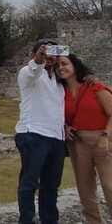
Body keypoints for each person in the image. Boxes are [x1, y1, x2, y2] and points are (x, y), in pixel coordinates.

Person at [15, 40, 65, 224]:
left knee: (52, 184)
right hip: (33, 133)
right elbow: (33, 71)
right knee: (30, 182)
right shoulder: (28, 73)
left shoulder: (59, 82)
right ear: (35, 54)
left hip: (56, 137)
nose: (49, 56)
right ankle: (26, 219)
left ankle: (49, 220)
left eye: (53, 52)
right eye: (44, 52)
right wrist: (39, 59)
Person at [59, 53, 112, 224]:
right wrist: (66, 127)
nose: (61, 68)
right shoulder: (60, 93)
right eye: (57, 66)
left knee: (110, 186)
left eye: (64, 64)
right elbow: (58, 116)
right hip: (78, 144)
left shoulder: (94, 87)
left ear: (75, 65)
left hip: (102, 140)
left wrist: (105, 136)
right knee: (85, 190)